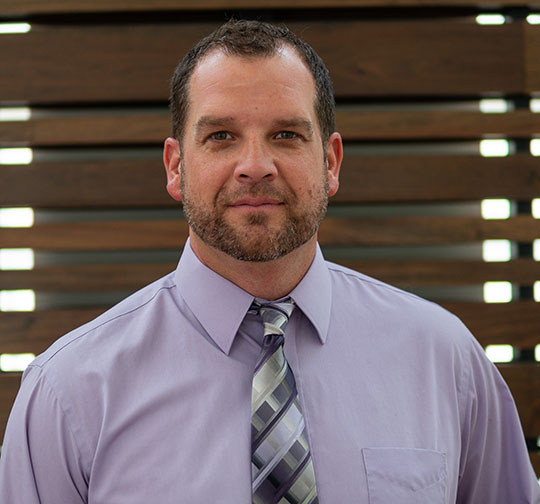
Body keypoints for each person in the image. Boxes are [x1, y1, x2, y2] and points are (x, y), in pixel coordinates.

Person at [0, 19, 538, 504]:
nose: (254, 166)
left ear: (329, 162)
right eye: (220, 136)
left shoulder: (445, 361)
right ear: (175, 166)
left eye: (285, 134)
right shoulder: (68, 393)